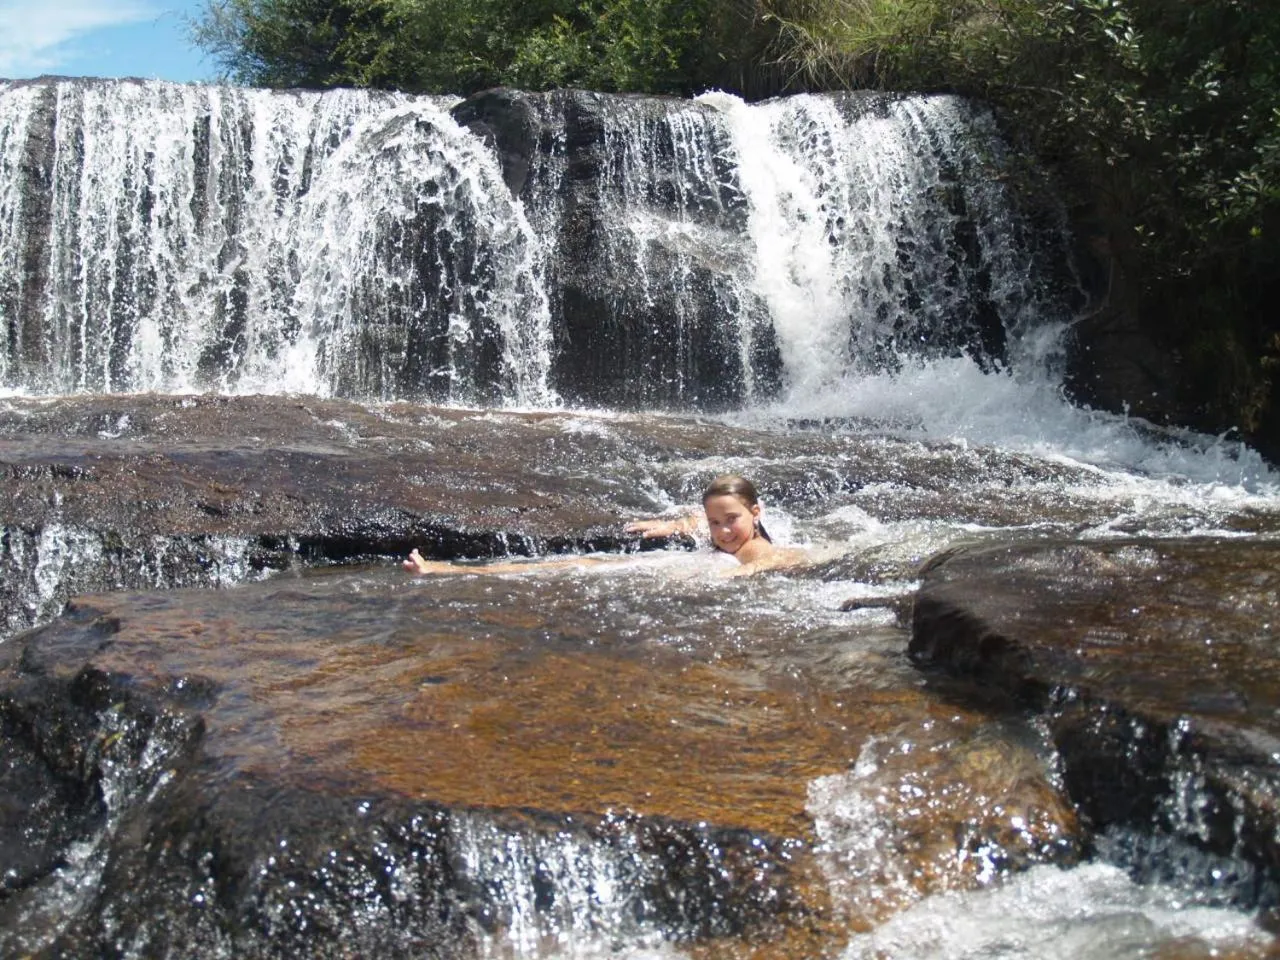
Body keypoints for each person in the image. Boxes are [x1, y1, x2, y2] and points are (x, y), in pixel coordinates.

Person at [403, 474, 804, 577]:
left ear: (757, 512)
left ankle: (444, 570)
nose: (721, 531)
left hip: (706, 574)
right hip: (702, 568)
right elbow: (705, 521)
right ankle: (442, 569)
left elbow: (765, 562)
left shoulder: (754, 551)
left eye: (731, 519)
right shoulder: (731, 534)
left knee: (585, 567)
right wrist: (674, 525)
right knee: (585, 566)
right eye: (714, 521)